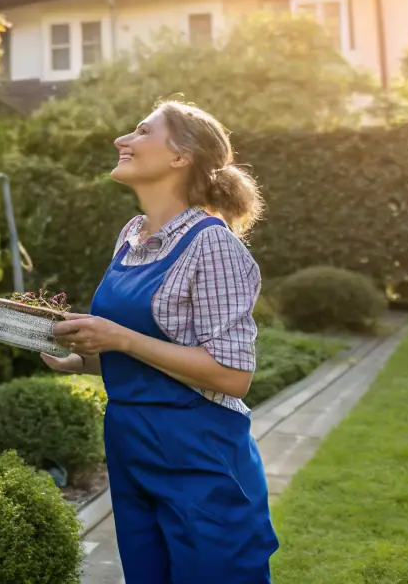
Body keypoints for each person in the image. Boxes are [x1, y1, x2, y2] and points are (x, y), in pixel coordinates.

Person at [46, 100, 278, 583]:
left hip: (199, 453)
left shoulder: (212, 243)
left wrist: (120, 338)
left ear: (181, 156)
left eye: (141, 130)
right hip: (132, 448)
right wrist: (80, 357)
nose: (121, 140)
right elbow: (148, 351)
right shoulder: (132, 235)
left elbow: (232, 376)